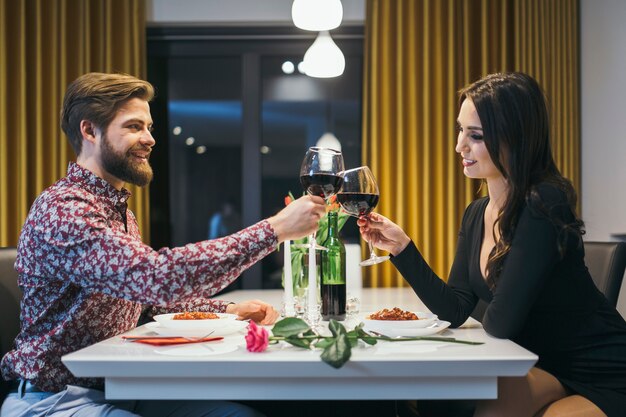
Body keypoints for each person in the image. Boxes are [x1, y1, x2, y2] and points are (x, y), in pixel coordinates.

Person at [0, 72, 327, 417]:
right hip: (55, 398)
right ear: (89, 130)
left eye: (149, 127)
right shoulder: (64, 209)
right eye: (133, 127)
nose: (149, 138)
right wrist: (273, 229)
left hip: (121, 387)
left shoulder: (117, 209)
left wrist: (226, 310)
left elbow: (143, 300)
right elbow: (156, 277)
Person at [358, 72, 626, 417]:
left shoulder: (544, 203)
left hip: (605, 368)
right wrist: (402, 248)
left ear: (515, 139)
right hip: (543, 360)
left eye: (476, 136)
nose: (459, 146)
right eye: (460, 130)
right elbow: (455, 309)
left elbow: (501, 323)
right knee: (480, 401)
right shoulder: (476, 213)